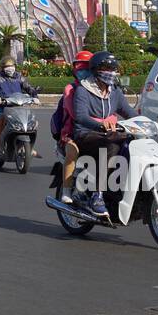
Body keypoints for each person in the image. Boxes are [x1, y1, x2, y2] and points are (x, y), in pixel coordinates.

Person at [71, 51, 134, 216]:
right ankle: (97, 196)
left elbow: (129, 113)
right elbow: (81, 117)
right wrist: (100, 125)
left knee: (130, 142)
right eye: (107, 68)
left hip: (107, 134)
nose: (111, 72)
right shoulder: (83, 90)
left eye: (114, 68)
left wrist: (152, 123)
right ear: (96, 70)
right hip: (85, 134)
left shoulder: (115, 93)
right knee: (111, 145)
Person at [53, 50, 94, 203]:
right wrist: (101, 122)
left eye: (86, 67)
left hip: (95, 132)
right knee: (73, 151)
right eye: (79, 67)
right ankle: (67, 190)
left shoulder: (98, 88)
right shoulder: (70, 89)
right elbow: (77, 114)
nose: (83, 71)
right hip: (71, 133)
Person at [0, 56, 38, 150]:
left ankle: (31, 146)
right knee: (0, 119)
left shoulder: (19, 77)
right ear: (2, 68)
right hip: (3, 106)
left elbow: (28, 87)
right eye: (7, 66)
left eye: (12, 65)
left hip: (18, 106)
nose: (10, 68)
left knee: (32, 119)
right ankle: (1, 146)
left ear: (15, 66)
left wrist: (35, 96)